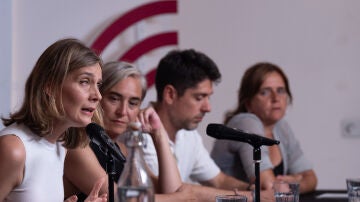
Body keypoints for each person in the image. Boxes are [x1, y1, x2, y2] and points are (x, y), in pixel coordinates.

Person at [142, 49, 274, 202]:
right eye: (199, 97)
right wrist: (252, 197)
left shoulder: (189, 135)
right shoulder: (140, 134)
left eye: (208, 98)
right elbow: (174, 193)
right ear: (170, 94)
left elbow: (219, 180)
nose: (207, 108)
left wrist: (252, 189)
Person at [63, 61, 196, 201]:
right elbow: (120, 199)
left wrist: (159, 134)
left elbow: (171, 190)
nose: (123, 111)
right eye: (114, 99)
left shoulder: (123, 148)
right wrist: (182, 198)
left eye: (133, 103)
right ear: (98, 97)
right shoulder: (76, 145)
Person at [0, 38, 107, 202]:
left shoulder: (60, 146)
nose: (97, 95)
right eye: (85, 82)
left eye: (98, 84)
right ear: (50, 86)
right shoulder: (13, 149)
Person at [210, 62, 317, 194]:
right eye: (264, 92)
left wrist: (293, 185)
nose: (276, 98)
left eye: (280, 90)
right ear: (248, 103)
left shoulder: (281, 127)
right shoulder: (245, 123)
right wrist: (294, 182)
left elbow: (311, 179)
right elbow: (268, 186)